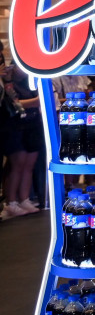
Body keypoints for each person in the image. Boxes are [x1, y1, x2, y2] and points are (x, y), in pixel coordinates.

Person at [1, 39, 43, 219]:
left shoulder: (32, 79)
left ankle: (24, 199)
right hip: (13, 126)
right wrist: (37, 102)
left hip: (32, 123)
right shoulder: (7, 81)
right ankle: (11, 202)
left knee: (28, 164)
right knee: (17, 165)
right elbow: (13, 104)